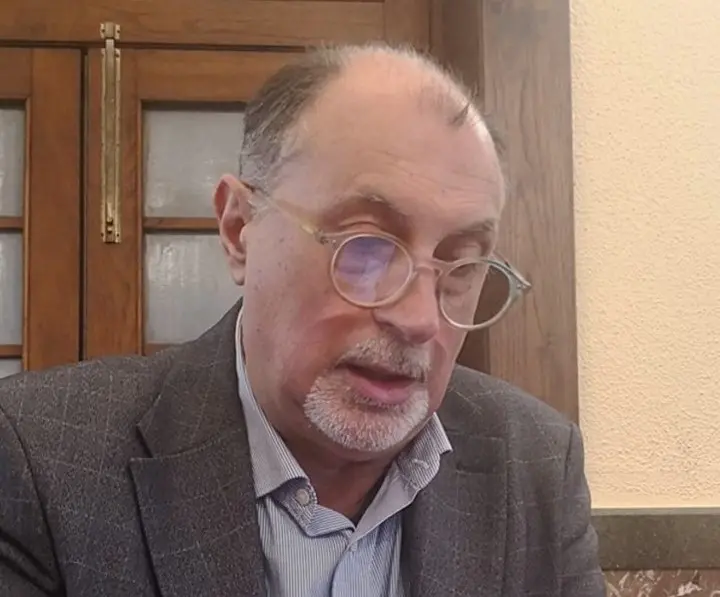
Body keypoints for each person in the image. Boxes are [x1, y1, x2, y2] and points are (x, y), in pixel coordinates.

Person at [0, 44, 604, 596]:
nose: (420, 319)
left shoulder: (536, 464)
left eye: (461, 264)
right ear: (239, 228)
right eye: (366, 246)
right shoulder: (43, 461)